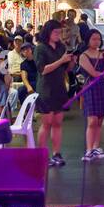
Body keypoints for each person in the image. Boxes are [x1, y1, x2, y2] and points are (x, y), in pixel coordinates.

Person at [35, 19, 75, 167]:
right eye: (56, 32)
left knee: (58, 122)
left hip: (59, 87)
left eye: (60, 32)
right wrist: (61, 60)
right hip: (46, 89)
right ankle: (41, 154)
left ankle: (57, 153)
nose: (59, 35)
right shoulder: (40, 48)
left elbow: (65, 69)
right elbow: (43, 69)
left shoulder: (60, 47)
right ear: (48, 32)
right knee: (47, 122)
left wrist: (71, 61)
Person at [77, 29, 104, 160]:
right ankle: (89, 149)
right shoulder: (83, 56)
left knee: (100, 120)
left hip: (102, 87)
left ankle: (96, 147)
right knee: (92, 120)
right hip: (91, 88)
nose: (97, 41)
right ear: (88, 40)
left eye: (98, 39)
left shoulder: (103, 55)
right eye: (93, 39)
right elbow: (93, 73)